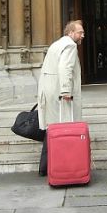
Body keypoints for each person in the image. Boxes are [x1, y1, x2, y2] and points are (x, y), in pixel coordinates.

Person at [37, 20, 85, 176]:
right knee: (63, 130)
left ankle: (45, 167)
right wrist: (66, 91)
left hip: (49, 89)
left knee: (52, 129)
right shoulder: (70, 45)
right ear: (71, 33)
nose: (82, 35)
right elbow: (65, 67)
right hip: (59, 92)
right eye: (80, 32)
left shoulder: (57, 44)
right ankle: (63, 166)